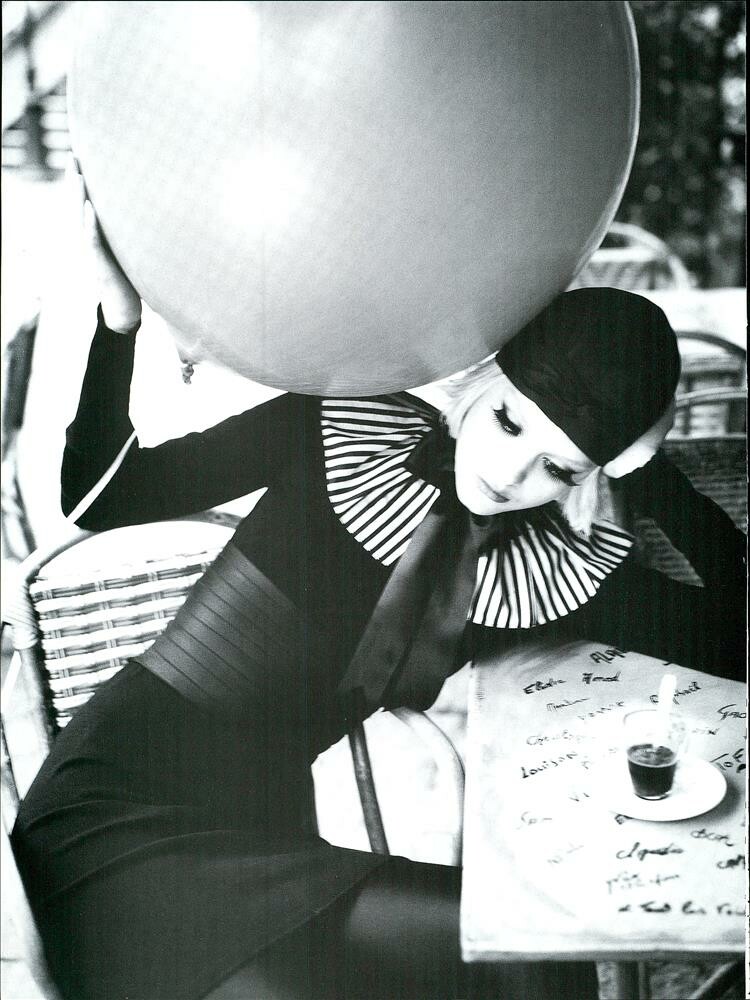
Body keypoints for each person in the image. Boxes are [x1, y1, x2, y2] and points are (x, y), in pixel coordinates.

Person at [11, 180, 745, 1000]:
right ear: (483, 382)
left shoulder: (549, 570)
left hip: (261, 839)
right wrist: (118, 326)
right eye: (509, 422)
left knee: (534, 953)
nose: (510, 474)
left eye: (559, 468)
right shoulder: (340, 427)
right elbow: (99, 497)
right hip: (114, 814)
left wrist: (648, 468)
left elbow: (733, 637)